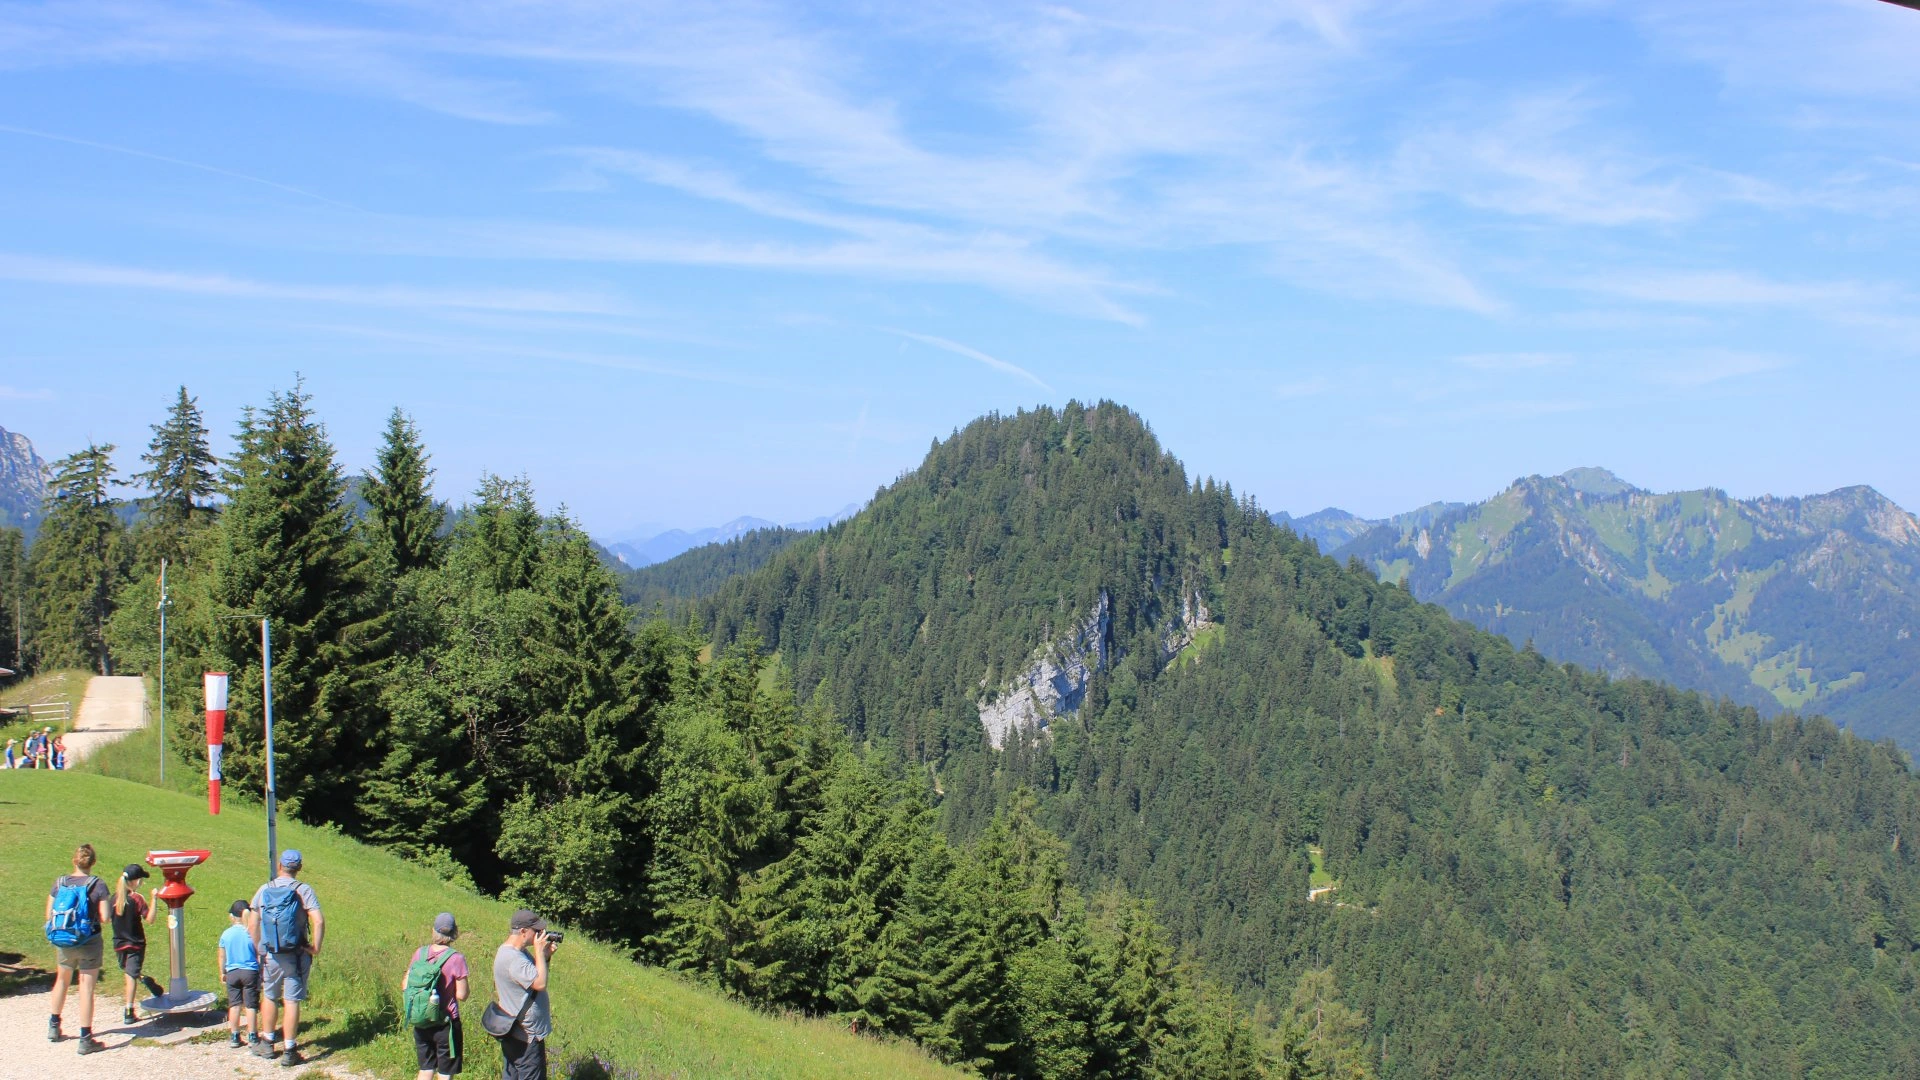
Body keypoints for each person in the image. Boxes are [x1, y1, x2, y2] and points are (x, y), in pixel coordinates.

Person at [248, 849, 323, 1067]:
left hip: (270, 953)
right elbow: (318, 921)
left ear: (279, 866)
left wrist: (259, 949)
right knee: (291, 1000)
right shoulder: (303, 890)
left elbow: (252, 924)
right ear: (298, 868)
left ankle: (268, 1043)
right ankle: (290, 1050)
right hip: (296, 954)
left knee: (270, 996)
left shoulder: (265, 889)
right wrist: (315, 948)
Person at [45, 842, 112, 1055]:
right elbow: (105, 918)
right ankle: (85, 1038)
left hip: (63, 939)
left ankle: (54, 1026)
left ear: (74, 860)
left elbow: (49, 915)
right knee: (86, 987)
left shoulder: (60, 883)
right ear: (93, 862)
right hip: (89, 941)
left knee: (62, 980)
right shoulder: (98, 885)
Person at [404, 912, 470, 1080]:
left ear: (433, 930)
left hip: (421, 1019)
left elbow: (405, 985)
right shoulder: (456, 958)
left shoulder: (420, 953)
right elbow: (462, 995)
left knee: (426, 1068)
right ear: (455, 932)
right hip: (446, 1023)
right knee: (445, 1072)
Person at [493, 910, 556, 1080]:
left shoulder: (515, 953)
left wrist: (545, 957)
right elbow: (540, 983)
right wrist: (538, 951)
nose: (540, 935)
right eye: (536, 931)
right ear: (523, 931)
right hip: (526, 1035)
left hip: (515, 1031)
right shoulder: (514, 958)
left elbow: (533, 976)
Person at [110, 863, 158, 1024]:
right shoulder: (137, 898)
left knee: (128, 971)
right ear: (136, 881)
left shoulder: (113, 899)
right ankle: (129, 1010)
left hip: (119, 943)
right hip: (135, 944)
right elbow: (150, 919)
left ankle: (143, 978)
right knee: (130, 975)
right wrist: (154, 899)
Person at [220, 900, 262, 1049]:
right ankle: (252, 1035)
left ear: (232, 916)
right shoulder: (252, 932)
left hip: (232, 972)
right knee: (251, 1005)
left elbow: (222, 956)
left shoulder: (226, 934)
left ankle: (235, 1035)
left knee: (234, 1005)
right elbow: (259, 953)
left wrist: (222, 972)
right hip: (250, 971)